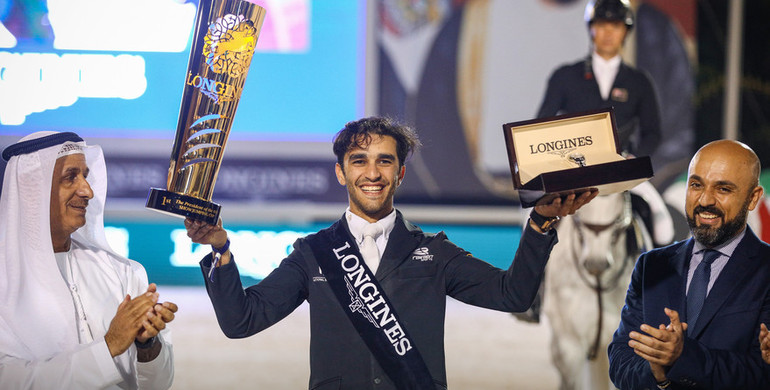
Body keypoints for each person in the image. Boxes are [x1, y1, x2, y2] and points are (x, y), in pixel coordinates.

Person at [184, 116, 597, 389]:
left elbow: (512, 295)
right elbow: (242, 320)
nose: (372, 173)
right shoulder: (313, 253)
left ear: (400, 173)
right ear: (341, 172)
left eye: (385, 161)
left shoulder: (435, 252)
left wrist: (541, 224)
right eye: (358, 161)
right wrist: (220, 249)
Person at [0, 131, 177, 389]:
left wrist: (147, 346)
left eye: (85, 175)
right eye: (70, 177)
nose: (87, 191)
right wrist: (109, 346)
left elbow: (158, 385)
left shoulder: (123, 272)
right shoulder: (5, 280)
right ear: (33, 191)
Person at [608, 140, 770, 389]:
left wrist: (682, 358)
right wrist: (658, 375)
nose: (705, 200)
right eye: (696, 185)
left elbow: (761, 373)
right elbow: (620, 362)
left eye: (723, 189)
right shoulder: (652, 266)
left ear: (753, 197)